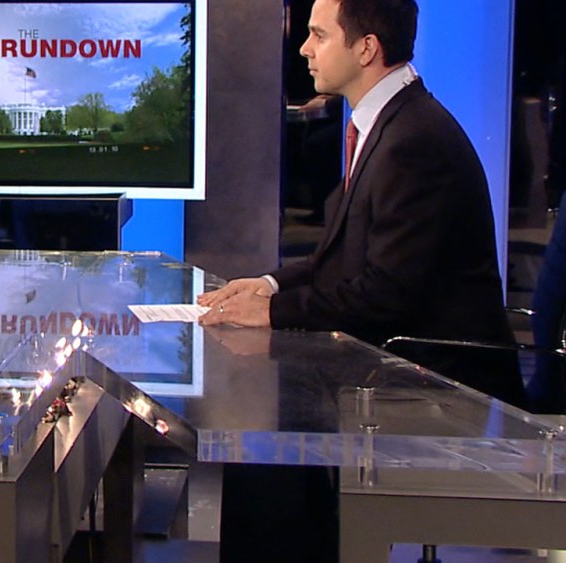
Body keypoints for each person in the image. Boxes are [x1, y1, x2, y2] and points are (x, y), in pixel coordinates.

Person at [199, 0, 524, 408]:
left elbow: (385, 294)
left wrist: (273, 312)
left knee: (256, 405)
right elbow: (347, 260)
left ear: (366, 48)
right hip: (397, 379)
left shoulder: (415, 141)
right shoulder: (391, 123)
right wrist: (269, 285)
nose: (304, 48)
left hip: (443, 394)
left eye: (319, 35)